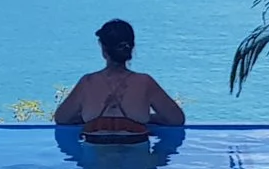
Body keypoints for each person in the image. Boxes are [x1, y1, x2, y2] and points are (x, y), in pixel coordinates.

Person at [54, 19, 185, 141]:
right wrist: (147, 119)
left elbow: (62, 118)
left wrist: (89, 119)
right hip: (137, 161)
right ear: (131, 48)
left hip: (96, 162)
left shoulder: (87, 83)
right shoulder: (145, 83)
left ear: (104, 49)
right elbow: (176, 119)